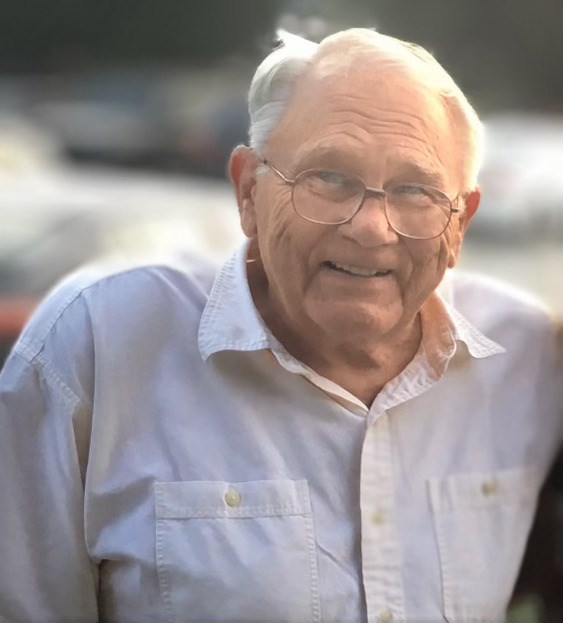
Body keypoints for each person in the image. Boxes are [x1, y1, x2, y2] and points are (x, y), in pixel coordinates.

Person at [0, 28, 561, 623]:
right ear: (249, 191)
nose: (372, 227)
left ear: (461, 223)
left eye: (416, 190)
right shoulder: (99, 343)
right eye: (330, 178)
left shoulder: (525, 357)